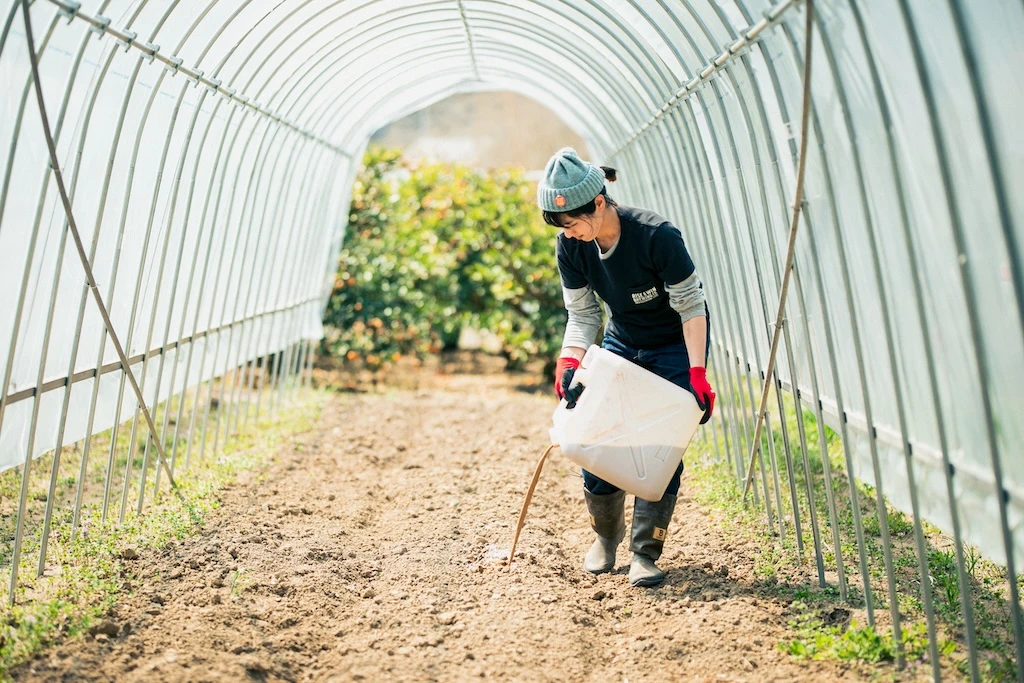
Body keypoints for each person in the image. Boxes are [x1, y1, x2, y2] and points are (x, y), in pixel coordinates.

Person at [537, 147, 715, 587]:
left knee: (660, 450)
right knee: (597, 438)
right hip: (623, 341)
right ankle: (606, 538)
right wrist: (569, 362)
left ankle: (645, 552)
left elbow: (691, 305)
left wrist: (696, 373)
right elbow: (583, 315)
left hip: (674, 345)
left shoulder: (657, 236)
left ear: (599, 203)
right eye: (562, 227)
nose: (571, 233)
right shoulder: (571, 248)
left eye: (573, 222)